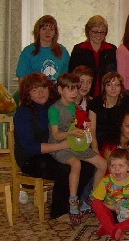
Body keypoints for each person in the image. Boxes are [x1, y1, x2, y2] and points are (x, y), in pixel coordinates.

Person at [13, 73, 95, 219]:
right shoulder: (23, 112)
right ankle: (59, 211)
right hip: (31, 158)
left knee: (88, 166)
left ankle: (73, 202)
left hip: (54, 150)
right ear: (28, 93)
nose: (41, 93)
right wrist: (62, 146)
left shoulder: (52, 106)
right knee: (65, 169)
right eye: (35, 90)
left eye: (43, 88)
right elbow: (30, 147)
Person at [48, 73, 107, 224]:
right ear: (60, 89)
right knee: (76, 164)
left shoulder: (76, 107)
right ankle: (73, 201)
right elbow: (56, 135)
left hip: (77, 144)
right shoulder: (54, 109)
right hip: (61, 147)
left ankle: (93, 197)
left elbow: (81, 124)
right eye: (70, 89)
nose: (74, 92)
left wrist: (85, 126)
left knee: (102, 164)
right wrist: (71, 133)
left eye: (76, 89)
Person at [91, 148, 129, 241]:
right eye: (113, 166)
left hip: (127, 214)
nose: (116, 169)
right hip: (111, 213)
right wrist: (112, 207)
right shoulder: (105, 181)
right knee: (95, 203)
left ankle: (109, 229)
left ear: (128, 167)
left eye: (121, 166)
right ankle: (113, 230)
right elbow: (97, 200)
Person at [68, 15, 117, 98]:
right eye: (95, 32)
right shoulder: (79, 49)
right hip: (83, 94)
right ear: (88, 31)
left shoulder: (112, 49)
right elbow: (72, 75)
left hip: (106, 94)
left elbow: (114, 73)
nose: (99, 35)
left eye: (102, 32)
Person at [87, 71, 129, 154]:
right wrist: (95, 149)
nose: (113, 88)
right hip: (99, 142)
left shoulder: (126, 101)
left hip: (120, 142)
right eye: (109, 85)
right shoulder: (95, 103)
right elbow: (91, 130)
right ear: (104, 87)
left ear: (121, 87)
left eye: (117, 85)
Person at [16, 15, 70, 82]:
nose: (48, 32)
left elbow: (67, 78)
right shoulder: (28, 51)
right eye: (44, 29)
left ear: (55, 32)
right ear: (38, 31)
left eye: (51, 29)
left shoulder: (63, 51)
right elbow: (22, 78)